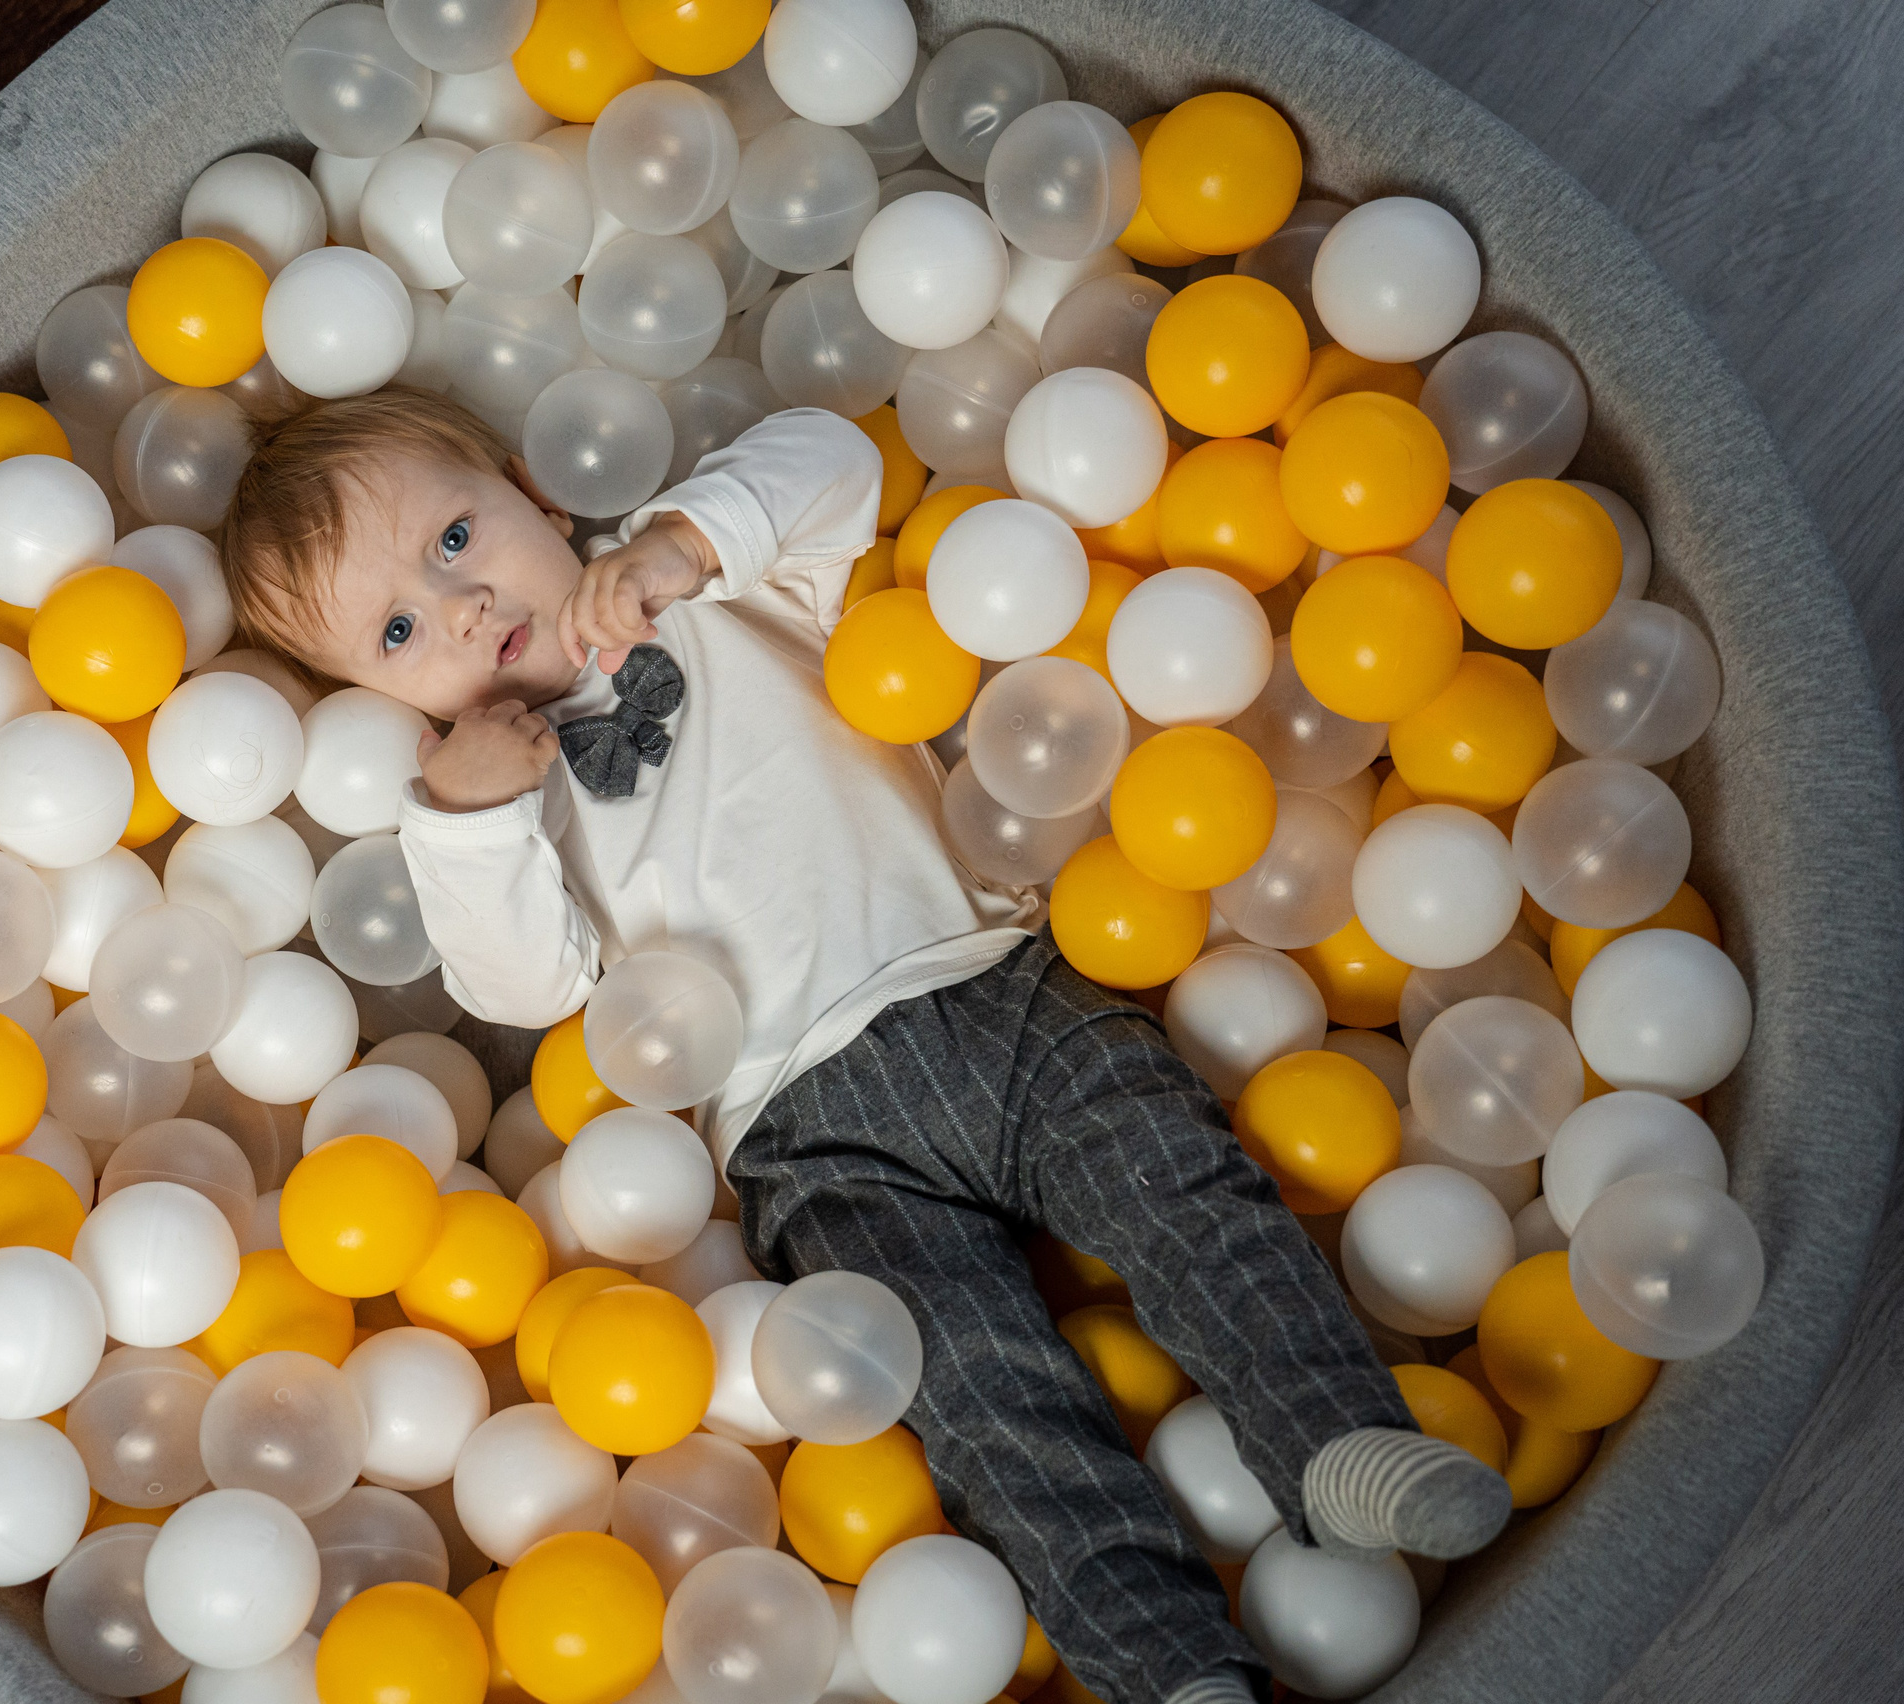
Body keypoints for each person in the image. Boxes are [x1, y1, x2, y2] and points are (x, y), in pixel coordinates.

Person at [216, 388, 1510, 1704]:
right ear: (380, 694)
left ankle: (1339, 1440)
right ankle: (1171, 1669)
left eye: (454, 541)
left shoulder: (699, 591)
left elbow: (831, 462)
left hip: (994, 992)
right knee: (983, 1401)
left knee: (1184, 1182)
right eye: (399, 632)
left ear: (531, 491)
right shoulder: (482, 799)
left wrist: (678, 546)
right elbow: (531, 989)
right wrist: (467, 822)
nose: (463, 611)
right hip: (806, 1133)